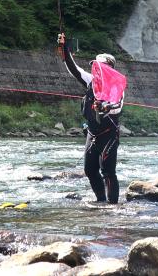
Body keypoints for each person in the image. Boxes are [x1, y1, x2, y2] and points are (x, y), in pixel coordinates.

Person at [58, 33, 125, 204]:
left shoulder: (117, 87)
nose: (98, 69)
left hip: (109, 133)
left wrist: (105, 107)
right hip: (92, 133)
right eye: (97, 66)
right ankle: (101, 201)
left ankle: (113, 206)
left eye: (102, 66)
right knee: (89, 170)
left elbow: (117, 106)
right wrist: (64, 47)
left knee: (108, 171)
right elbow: (73, 68)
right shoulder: (91, 81)